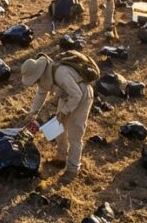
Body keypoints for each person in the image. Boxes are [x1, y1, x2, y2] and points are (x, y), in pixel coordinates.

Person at [21, 53, 96, 183]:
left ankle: (72, 170)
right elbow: (41, 93)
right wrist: (33, 112)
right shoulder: (44, 76)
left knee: (75, 135)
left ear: (38, 72)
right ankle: (61, 157)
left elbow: (77, 95)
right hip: (66, 96)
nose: (36, 82)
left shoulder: (60, 73)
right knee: (59, 128)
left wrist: (64, 111)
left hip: (82, 96)